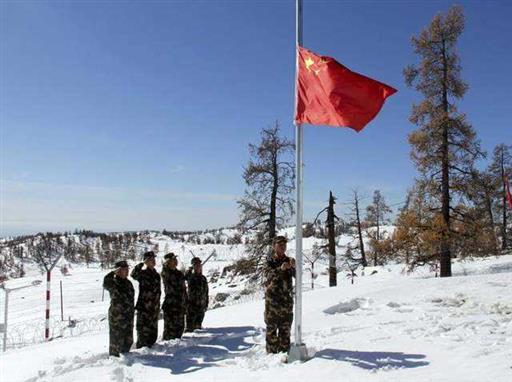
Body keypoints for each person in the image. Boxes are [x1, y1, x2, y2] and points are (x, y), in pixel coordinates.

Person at [264, 235, 296, 354]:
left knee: (285, 333)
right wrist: (280, 269)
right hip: (272, 304)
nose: (283, 247)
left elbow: (297, 276)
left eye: (284, 244)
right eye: (280, 244)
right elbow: (268, 277)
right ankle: (271, 359)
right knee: (271, 333)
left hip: (286, 303)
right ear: (274, 246)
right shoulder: (269, 262)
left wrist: (294, 267)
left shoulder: (289, 260)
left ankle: (284, 359)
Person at [103, 260, 134, 357]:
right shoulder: (113, 282)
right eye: (124, 269)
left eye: (127, 269)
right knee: (116, 342)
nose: (127, 271)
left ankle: (127, 357)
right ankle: (114, 362)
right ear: (119, 271)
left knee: (128, 341)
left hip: (128, 317)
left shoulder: (128, 283)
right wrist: (113, 272)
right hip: (117, 318)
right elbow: (105, 282)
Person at [131, 251, 161, 348]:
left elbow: (158, 292)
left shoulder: (156, 275)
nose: (153, 261)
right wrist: (142, 264)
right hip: (144, 308)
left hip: (154, 308)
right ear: (146, 261)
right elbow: (133, 274)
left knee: (153, 334)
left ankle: (151, 351)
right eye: (150, 260)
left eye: (153, 259)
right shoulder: (142, 274)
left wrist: (158, 305)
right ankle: (141, 352)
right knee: (143, 333)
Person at [161, 252, 187, 340]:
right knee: (169, 331)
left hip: (180, 305)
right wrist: (166, 264)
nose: (176, 261)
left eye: (176, 259)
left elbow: (183, 289)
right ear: (168, 262)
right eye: (173, 260)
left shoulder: (179, 273)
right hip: (170, 306)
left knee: (180, 329)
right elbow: (165, 273)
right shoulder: (166, 272)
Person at [185, 257, 208, 332]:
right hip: (192, 306)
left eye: (199, 264)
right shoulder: (191, 277)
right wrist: (190, 269)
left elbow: (206, 292)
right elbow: (185, 277)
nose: (198, 266)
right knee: (190, 329)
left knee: (198, 328)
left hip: (201, 306)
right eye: (196, 264)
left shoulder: (203, 278)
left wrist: (206, 303)